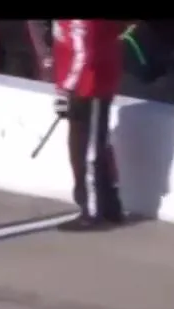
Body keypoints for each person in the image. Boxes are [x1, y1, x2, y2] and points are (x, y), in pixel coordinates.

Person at [52, 19, 126, 231]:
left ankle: (92, 212)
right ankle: (110, 205)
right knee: (94, 145)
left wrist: (65, 90)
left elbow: (83, 54)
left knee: (89, 150)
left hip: (90, 88)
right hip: (86, 86)